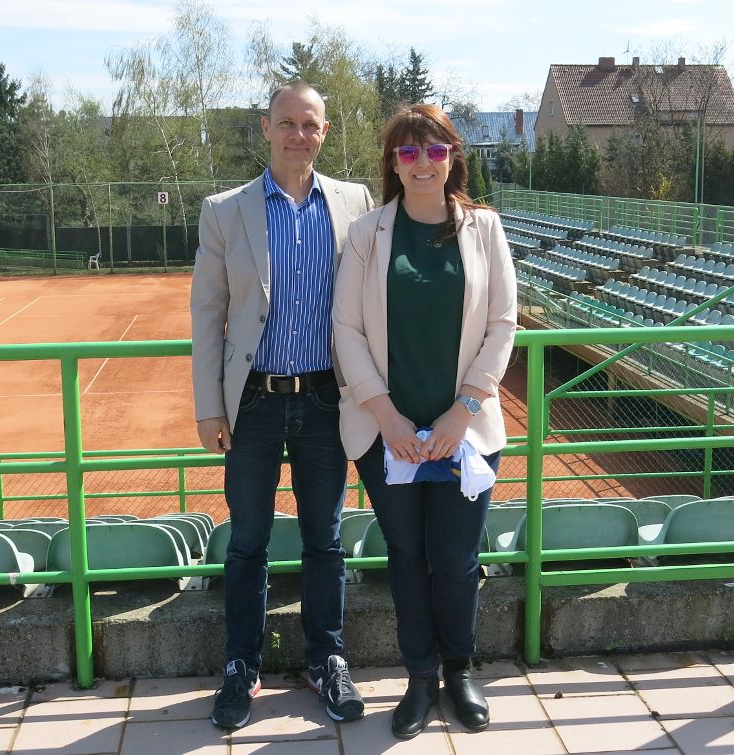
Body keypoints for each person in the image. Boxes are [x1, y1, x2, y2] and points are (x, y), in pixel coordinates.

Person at [190, 80, 376, 730]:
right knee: (247, 541)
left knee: (326, 538)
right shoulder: (225, 210)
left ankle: (326, 657)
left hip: (329, 398)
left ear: (325, 132)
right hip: (254, 401)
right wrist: (210, 407)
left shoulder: (356, 202)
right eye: (288, 122)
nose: (300, 134)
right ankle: (241, 664)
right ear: (266, 127)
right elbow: (208, 312)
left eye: (312, 124)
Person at [332, 104, 518, 740]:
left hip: (464, 434)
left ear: (452, 158)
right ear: (392, 161)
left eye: (433, 150)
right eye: (407, 152)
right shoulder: (367, 234)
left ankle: (460, 671)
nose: (421, 163)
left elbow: (502, 324)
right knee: (407, 557)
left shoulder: (485, 229)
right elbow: (346, 330)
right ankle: (419, 678)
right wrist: (386, 417)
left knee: (459, 560)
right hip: (389, 438)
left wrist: (461, 411)